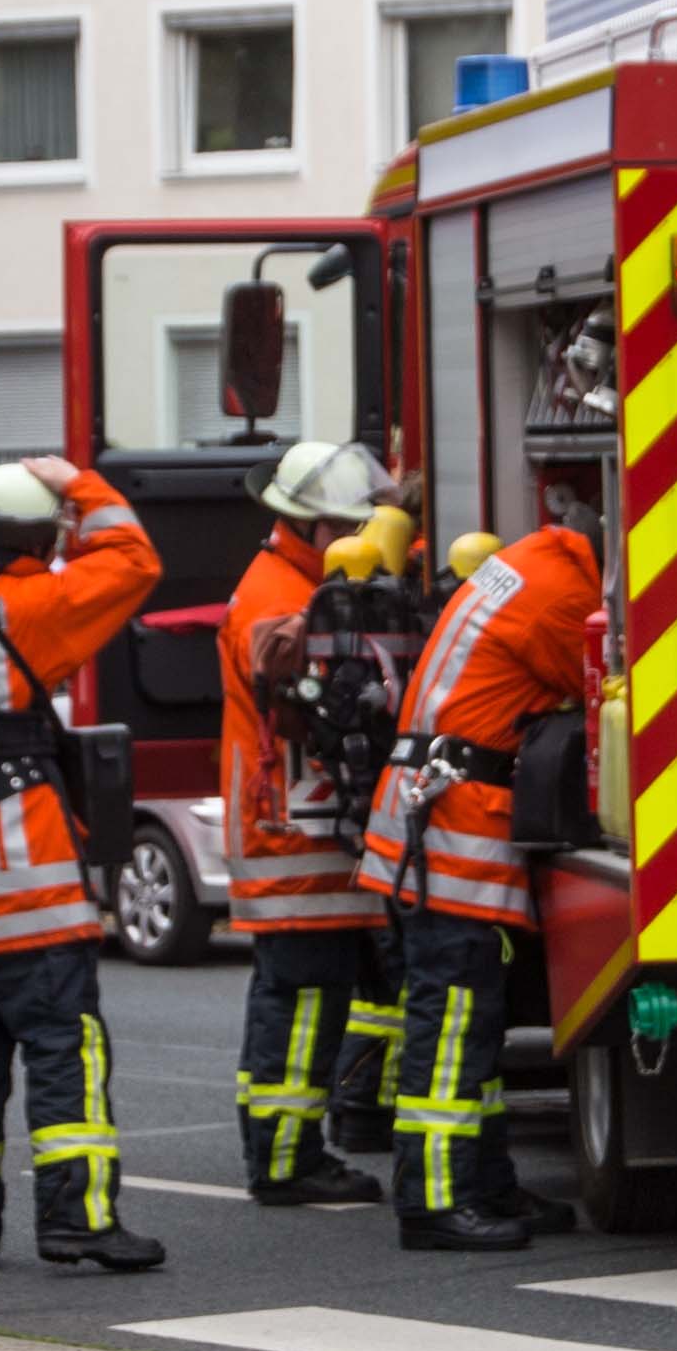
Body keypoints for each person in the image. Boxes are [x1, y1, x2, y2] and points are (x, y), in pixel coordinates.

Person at [0, 456, 163, 1273]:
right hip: (32, 882)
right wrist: (80, 482)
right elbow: (133, 561)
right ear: (30, 537)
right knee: (64, 1051)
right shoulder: (32, 605)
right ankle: (78, 1220)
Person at [354, 488, 603, 1249]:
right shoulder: (562, 592)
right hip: (456, 830)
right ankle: (433, 1204)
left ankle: (487, 1185)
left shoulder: (527, 565)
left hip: (437, 818)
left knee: (471, 1025)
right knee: (454, 1021)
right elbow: (599, 682)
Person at [221, 440, 406, 1205]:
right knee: (301, 997)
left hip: (305, 829)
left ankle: (305, 1135)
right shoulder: (279, 599)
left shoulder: (305, 579)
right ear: (314, 526)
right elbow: (295, 689)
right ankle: (287, 1160)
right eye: (353, 528)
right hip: (289, 834)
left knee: (319, 990)